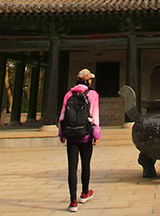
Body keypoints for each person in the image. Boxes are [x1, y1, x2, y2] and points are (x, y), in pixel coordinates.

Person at [59, 68, 100, 212]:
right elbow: (95, 115)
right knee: (86, 165)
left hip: (71, 135)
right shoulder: (93, 94)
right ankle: (85, 192)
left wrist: (61, 133)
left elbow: (63, 115)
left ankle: (73, 201)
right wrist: (96, 134)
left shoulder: (68, 94)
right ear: (88, 80)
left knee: (72, 168)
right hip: (86, 134)